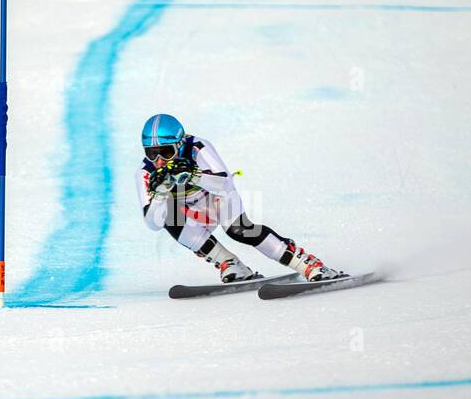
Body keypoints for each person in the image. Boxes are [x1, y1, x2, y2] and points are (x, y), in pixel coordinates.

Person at [137, 113, 336, 283]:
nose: (160, 160)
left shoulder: (197, 147)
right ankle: (229, 263)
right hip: (190, 209)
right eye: (151, 153)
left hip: (217, 198)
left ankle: (307, 264)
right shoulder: (144, 172)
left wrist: (193, 175)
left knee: (239, 230)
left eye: (166, 152)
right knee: (170, 219)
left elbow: (224, 184)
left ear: (180, 144)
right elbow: (153, 223)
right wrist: (160, 193)